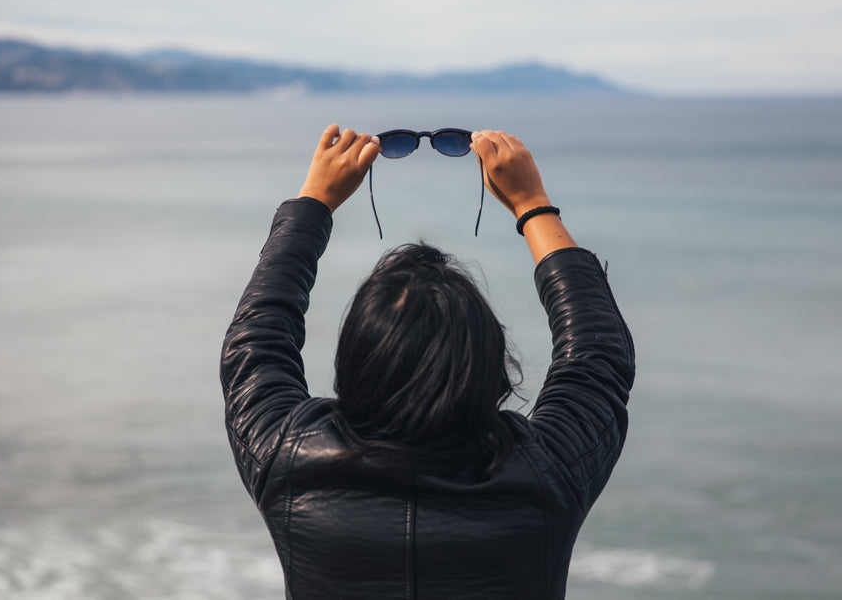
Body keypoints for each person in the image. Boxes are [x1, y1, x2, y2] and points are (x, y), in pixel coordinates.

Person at [220, 124, 635, 600]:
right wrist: (532, 204)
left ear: (354, 360)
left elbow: (256, 338)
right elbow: (597, 353)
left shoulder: (287, 457)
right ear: (491, 365)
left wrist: (314, 202)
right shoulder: (548, 472)